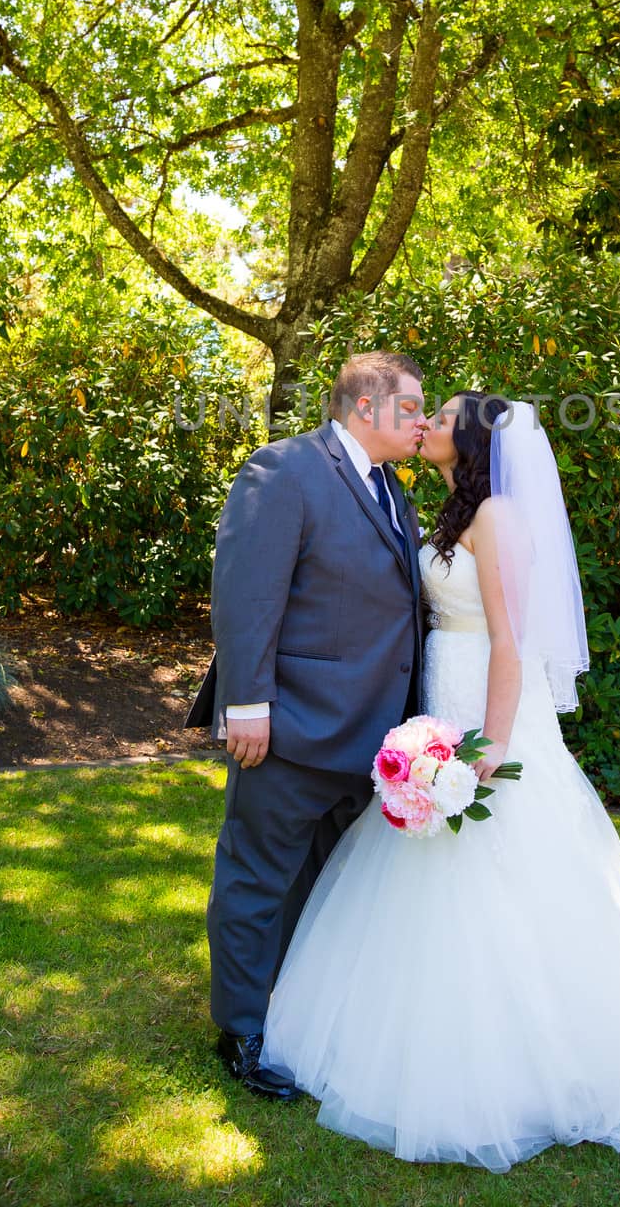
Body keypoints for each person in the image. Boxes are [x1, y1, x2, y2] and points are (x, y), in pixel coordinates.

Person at [261, 392, 620, 1170]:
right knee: (428, 852)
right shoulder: (445, 511)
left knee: (501, 856)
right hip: (443, 689)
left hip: (487, 703)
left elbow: (511, 641)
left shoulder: (497, 515)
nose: (425, 423)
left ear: (468, 441)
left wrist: (491, 746)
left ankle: (533, 1045)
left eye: (440, 418)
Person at [184, 352, 428, 1101]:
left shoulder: (391, 490)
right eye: (413, 407)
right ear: (365, 407)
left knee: (320, 882)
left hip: (370, 731)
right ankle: (243, 1032)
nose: (423, 421)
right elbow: (246, 592)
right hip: (289, 721)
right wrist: (246, 704)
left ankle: (292, 1005)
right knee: (258, 875)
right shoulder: (283, 469)